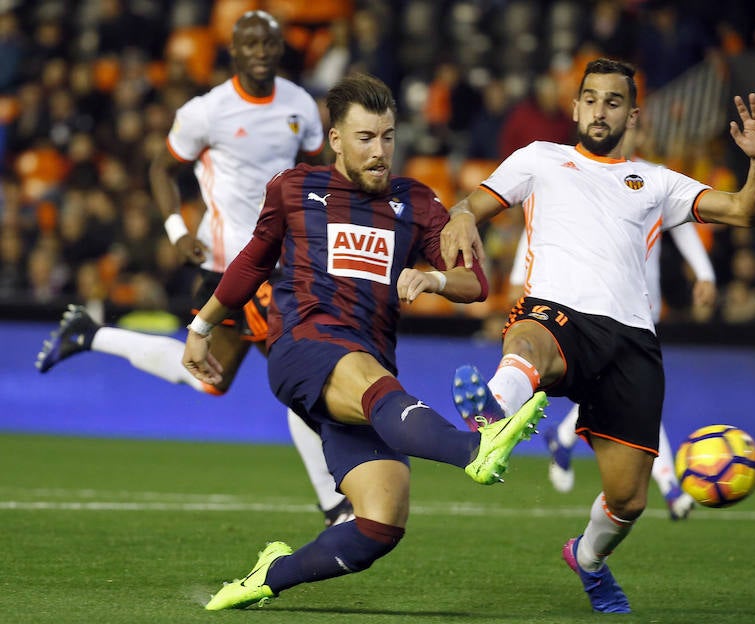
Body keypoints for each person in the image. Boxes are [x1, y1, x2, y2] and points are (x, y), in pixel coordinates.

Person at [181, 73, 548, 611]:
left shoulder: (416, 203)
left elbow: (476, 283)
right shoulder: (294, 189)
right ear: (335, 140)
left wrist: (434, 279)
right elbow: (252, 263)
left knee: (380, 522)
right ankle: (474, 448)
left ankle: (271, 574)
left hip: (366, 373)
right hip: (303, 346)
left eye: (388, 137)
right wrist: (201, 327)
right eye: (365, 138)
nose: (380, 151)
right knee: (369, 379)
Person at [441, 58, 755, 613]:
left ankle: (589, 558)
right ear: (575, 107)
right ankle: (492, 417)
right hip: (557, 310)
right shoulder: (540, 160)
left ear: (632, 113)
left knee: (628, 498)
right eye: (591, 98)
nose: (600, 110)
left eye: (614, 101)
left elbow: (747, 211)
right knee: (529, 341)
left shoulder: (658, 181)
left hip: (631, 343)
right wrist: (459, 216)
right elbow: (472, 204)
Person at [33, 11, 351, 527]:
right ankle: (333, 502)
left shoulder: (299, 105)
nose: (260, 52)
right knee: (298, 372)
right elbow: (162, 167)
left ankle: (89, 335)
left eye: (268, 43)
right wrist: (177, 233)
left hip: (284, 264)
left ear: (278, 48)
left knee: (213, 381)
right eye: (249, 44)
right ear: (233, 50)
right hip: (229, 266)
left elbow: (321, 170)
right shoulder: (208, 111)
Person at [523, 122, 717, 518]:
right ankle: (670, 486)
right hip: (597, 306)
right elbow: (550, 226)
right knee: (633, 398)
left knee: (621, 392)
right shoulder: (578, 175)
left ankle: (562, 438)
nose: (637, 138)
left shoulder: (652, 180)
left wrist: (706, 273)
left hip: (642, 307)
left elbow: (686, 228)